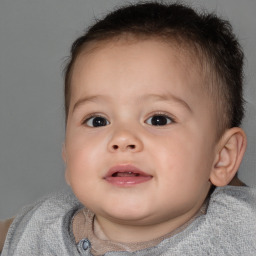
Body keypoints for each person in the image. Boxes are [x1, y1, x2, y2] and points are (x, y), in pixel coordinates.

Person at [1, 2, 256, 255]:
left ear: (222, 157)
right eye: (97, 121)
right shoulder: (39, 225)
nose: (122, 138)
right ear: (67, 155)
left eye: (159, 119)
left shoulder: (239, 230)